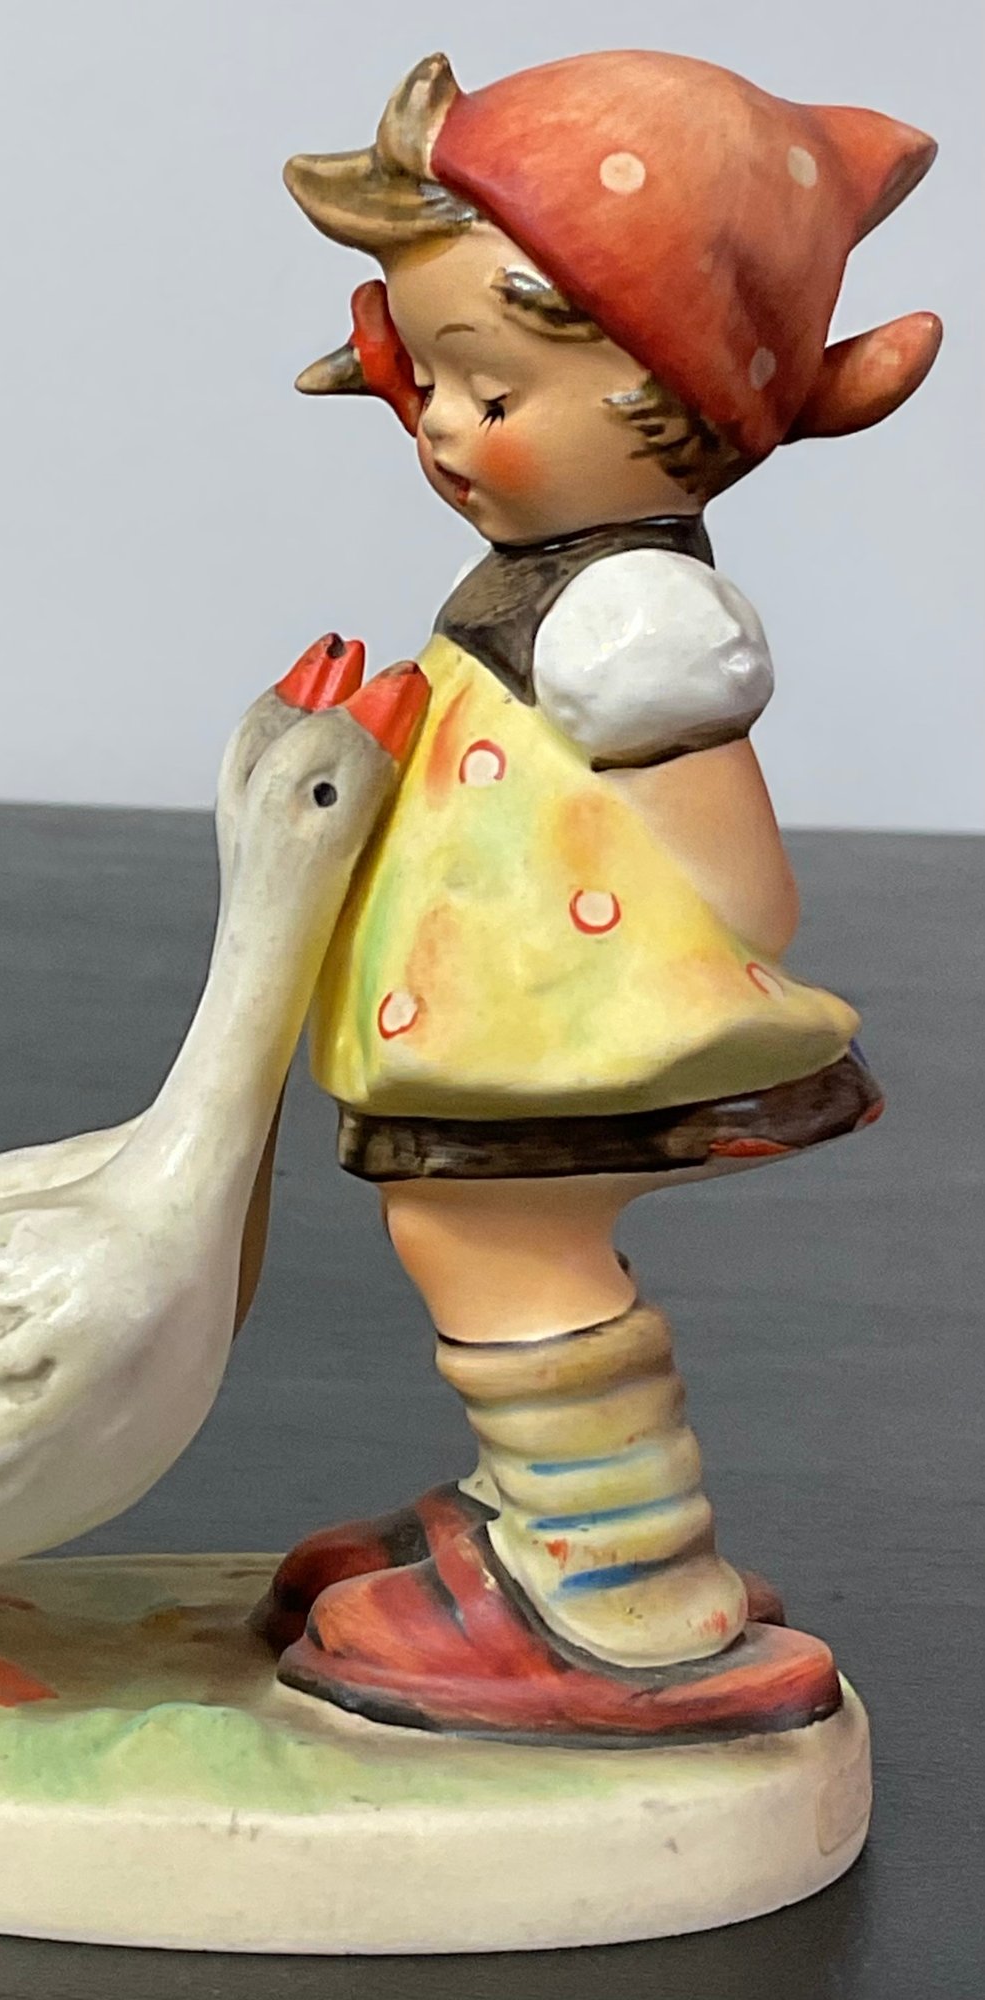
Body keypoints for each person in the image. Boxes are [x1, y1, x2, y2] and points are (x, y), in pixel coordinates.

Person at [254, 49, 941, 1739]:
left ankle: (620, 1589)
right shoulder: (552, 584)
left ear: (674, 401)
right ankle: (541, 1516)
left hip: (574, 1024)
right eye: (425, 379)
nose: (437, 425)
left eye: (488, 391)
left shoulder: (636, 621)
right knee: (472, 1234)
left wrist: (696, 967)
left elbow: (739, 883)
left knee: (499, 1239)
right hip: (504, 1013)